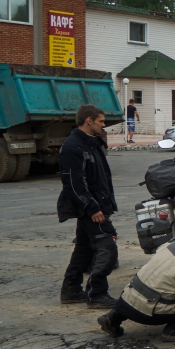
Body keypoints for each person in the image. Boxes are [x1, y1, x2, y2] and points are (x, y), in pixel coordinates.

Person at [58, 104, 119, 308]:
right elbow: (74, 184)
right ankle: (97, 294)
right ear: (89, 120)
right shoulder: (73, 147)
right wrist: (93, 208)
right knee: (107, 248)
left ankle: (71, 290)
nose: (104, 125)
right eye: (101, 121)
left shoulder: (92, 143)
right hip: (91, 209)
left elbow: (101, 178)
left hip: (98, 205)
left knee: (83, 250)